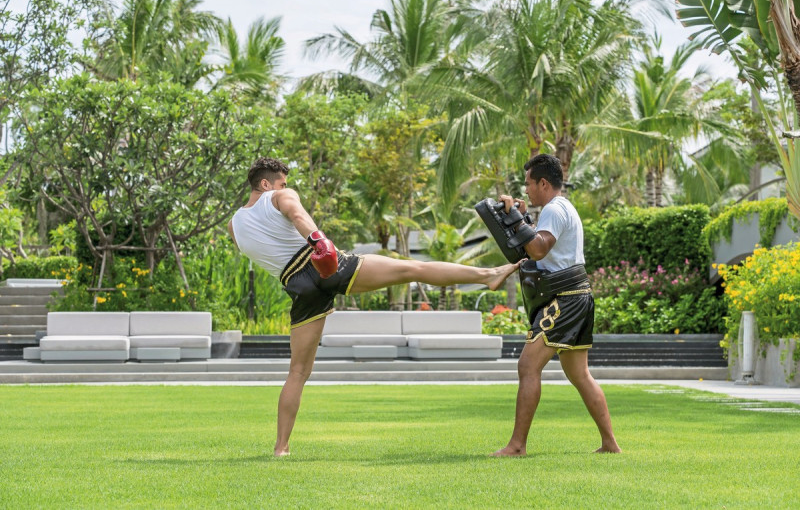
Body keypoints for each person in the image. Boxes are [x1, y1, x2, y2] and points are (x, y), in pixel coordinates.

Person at [227, 157, 519, 457]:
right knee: (412, 269)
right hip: (322, 263)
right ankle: (488, 276)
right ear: (266, 184)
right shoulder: (279, 196)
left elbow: (262, 247)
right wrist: (321, 244)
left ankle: (281, 448)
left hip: (297, 286)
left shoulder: (234, 226)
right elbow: (298, 215)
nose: (286, 188)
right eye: (282, 182)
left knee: (298, 372)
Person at [492, 154, 621, 456]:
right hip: (578, 295)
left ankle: (517, 446)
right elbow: (542, 245)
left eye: (529, 184)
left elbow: (537, 249)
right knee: (579, 375)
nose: (526, 190)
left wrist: (515, 219)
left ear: (543, 183)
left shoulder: (553, 209)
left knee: (527, 365)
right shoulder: (563, 208)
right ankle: (610, 444)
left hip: (565, 298)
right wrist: (523, 220)